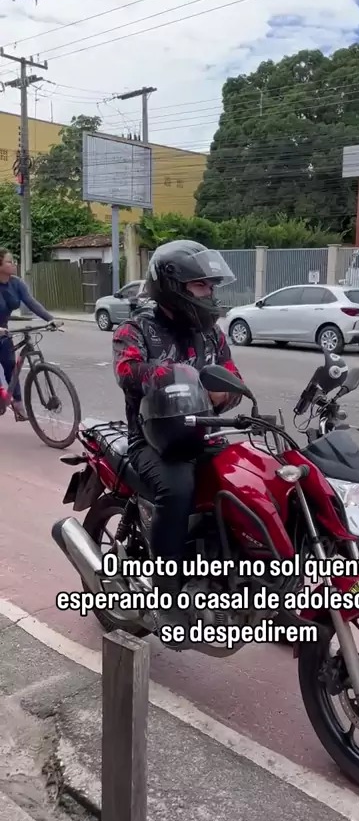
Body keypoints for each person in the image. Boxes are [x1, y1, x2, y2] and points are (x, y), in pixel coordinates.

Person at [112, 240, 243, 606]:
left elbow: (232, 378)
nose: (209, 293)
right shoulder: (135, 329)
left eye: (211, 285)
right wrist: (174, 378)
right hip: (154, 440)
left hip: (206, 435)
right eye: (200, 285)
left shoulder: (212, 334)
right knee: (178, 488)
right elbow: (127, 371)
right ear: (173, 286)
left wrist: (227, 392)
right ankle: (166, 591)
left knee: (250, 479)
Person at [0, 248, 55, 421]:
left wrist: (50, 319)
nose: (14, 264)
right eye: (9, 261)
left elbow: (31, 302)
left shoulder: (16, 283)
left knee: (10, 365)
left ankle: (17, 402)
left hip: (3, 331)